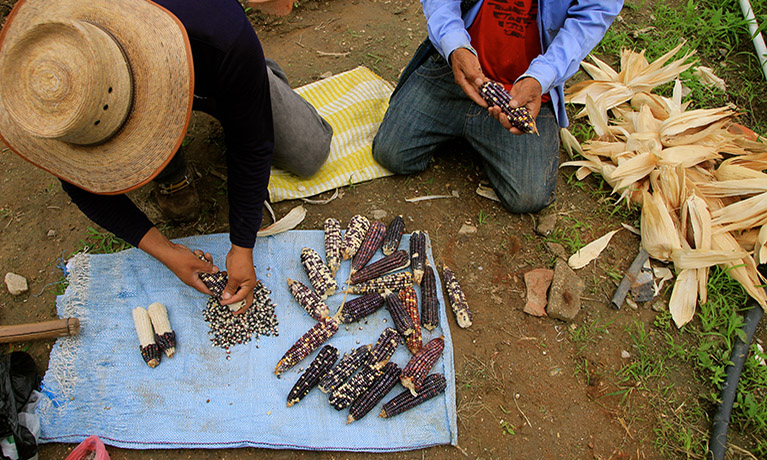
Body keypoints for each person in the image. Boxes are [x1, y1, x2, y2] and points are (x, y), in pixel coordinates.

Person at [0, 0, 333, 312]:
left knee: (309, 152)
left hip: (213, 60)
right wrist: (166, 251)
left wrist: (243, 245)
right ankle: (166, 166)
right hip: (141, 76)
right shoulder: (46, 84)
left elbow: (251, 145)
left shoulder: (220, 32)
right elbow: (79, 184)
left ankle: (254, 81)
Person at [373, 0, 623, 213]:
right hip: (460, 68)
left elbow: (590, 19)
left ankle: (469, 130)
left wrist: (541, 77)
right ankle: (470, 130)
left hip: (525, 90)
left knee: (528, 197)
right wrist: (454, 44)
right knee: (391, 154)